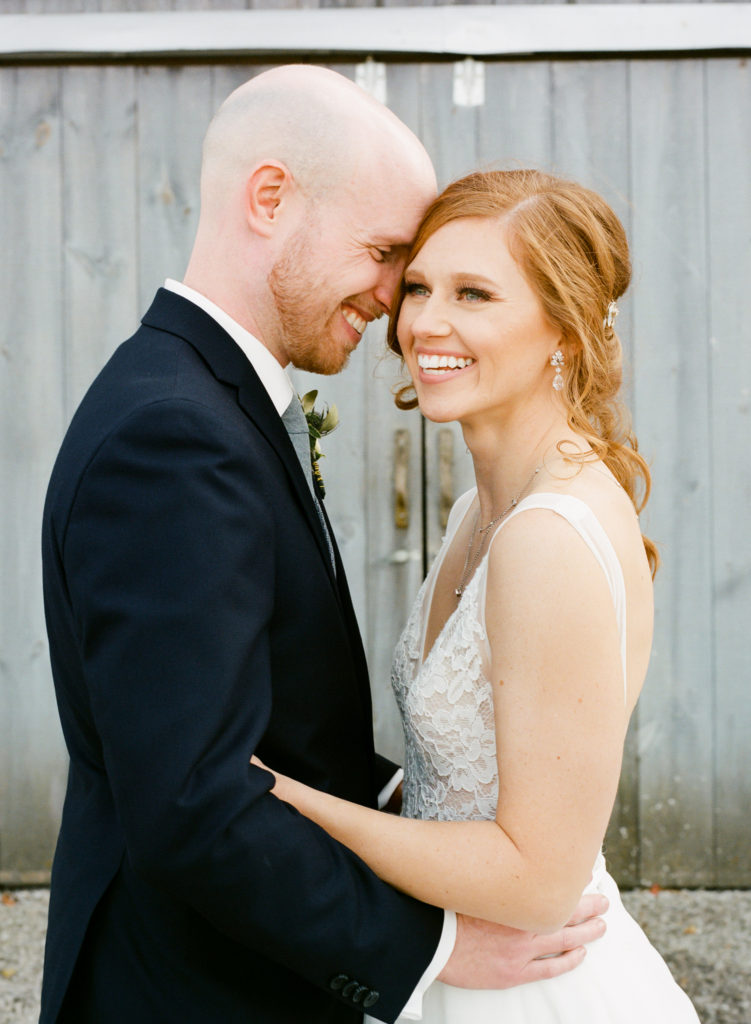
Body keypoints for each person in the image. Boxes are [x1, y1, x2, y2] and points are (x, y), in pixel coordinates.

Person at [40, 71, 607, 1024]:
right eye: (388, 254)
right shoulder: (174, 435)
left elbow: (274, 724)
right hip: (189, 990)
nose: (399, 306)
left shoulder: (202, 399)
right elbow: (191, 801)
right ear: (270, 199)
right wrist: (429, 946)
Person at [256, 169, 702, 1022]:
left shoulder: (548, 534)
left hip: (534, 985)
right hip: (457, 964)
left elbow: (537, 880)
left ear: (562, 327)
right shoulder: (479, 510)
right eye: (418, 286)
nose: (425, 321)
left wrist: (282, 800)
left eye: (474, 294)